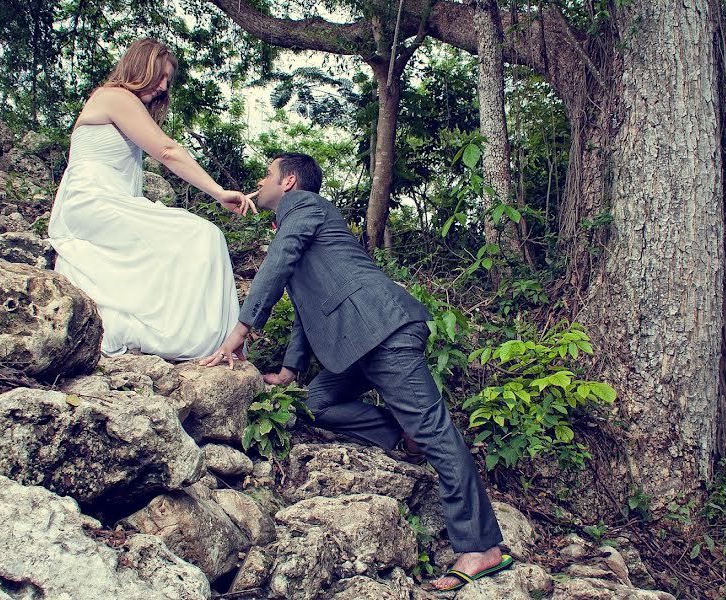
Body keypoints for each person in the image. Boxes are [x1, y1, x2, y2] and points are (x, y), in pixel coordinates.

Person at [200, 153, 512, 591]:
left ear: (288, 182)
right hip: (356, 344)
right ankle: (402, 431)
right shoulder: (295, 222)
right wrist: (291, 370)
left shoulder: (306, 208)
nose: (259, 182)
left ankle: (483, 547)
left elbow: (277, 262)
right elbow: (306, 309)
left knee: (436, 432)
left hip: (384, 332)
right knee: (318, 402)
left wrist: (243, 328)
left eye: (266, 175)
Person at [48, 38, 255, 360]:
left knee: (193, 239)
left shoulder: (118, 103)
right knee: (202, 235)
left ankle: (211, 341)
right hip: (93, 201)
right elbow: (167, 150)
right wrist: (218, 192)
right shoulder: (115, 97)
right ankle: (214, 345)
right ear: (139, 68)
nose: (162, 86)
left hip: (100, 201)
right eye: (159, 76)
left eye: (167, 81)